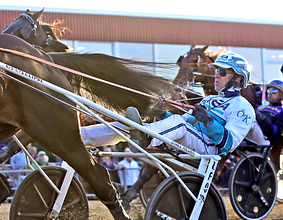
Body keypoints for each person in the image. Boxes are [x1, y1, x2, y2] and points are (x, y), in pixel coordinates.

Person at [82, 52, 255, 157]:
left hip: (208, 149)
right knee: (129, 125)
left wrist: (209, 121)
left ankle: (145, 138)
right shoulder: (208, 100)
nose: (216, 75)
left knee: (177, 123)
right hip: (189, 139)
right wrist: (162, 114)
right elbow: (186, 123)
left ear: (238, 78)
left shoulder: (242, 106)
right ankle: (81, 137)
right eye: (216, 70)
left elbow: (229, 145)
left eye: (222, 72)